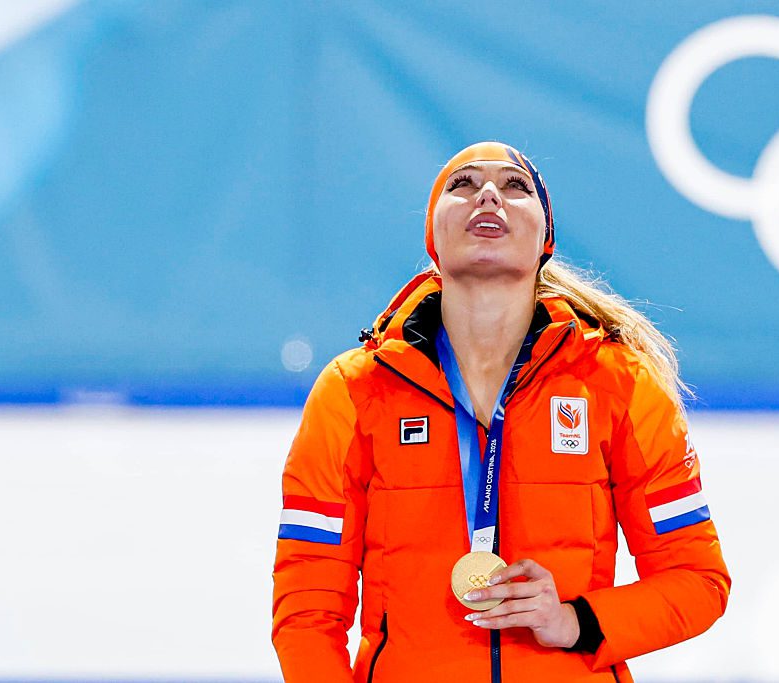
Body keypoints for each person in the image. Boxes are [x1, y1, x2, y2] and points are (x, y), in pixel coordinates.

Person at [271, 141, 730, 682]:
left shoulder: (617, 382)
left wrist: (574, 621)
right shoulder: (354, 391)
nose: (488, 194)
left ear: (545, 239)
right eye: (462, 185)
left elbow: (698, 579)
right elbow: (306, 610)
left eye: (515, 187)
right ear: (433, 237)